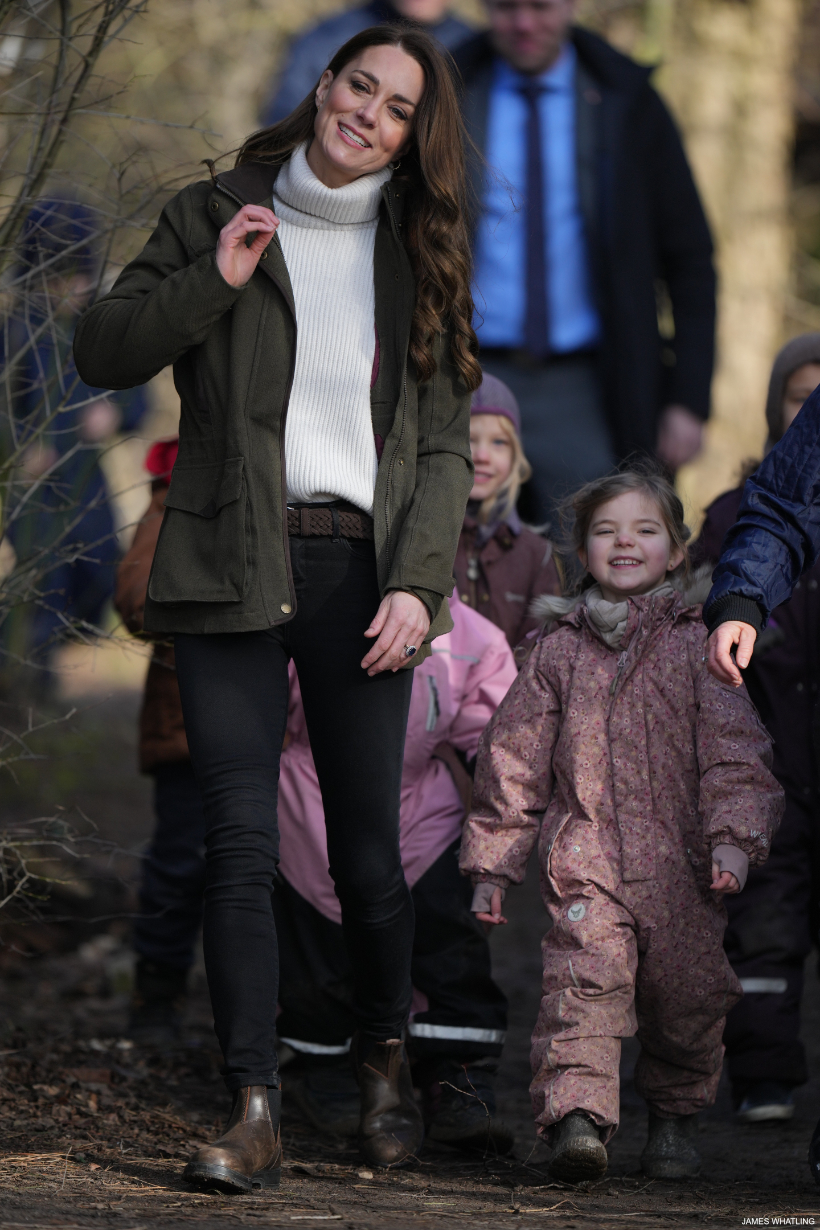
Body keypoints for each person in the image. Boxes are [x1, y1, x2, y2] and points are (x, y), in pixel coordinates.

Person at [73, 25, 480, 1190]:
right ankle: (253, 1106)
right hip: (224, 561)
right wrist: (218, 279)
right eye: (360, 85)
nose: (369, 113)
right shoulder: (216, 212)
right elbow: (104, 349)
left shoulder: (423, 245)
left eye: (398, 107)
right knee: (239, 843)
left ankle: (384, 1064)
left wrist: (420, 582)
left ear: (414, 138)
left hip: (362, 573)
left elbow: (443, 444)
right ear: (323, 84)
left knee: (366, 853)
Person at [460, 465, 783, 1183]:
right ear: (582, 552)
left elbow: (737, 752)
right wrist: (492, 865)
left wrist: (733, 835)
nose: (624, 543)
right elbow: (512, 763)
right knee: (583, 986)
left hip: (684, 871)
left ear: (676, 551)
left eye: (644, 530)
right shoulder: (557, 652)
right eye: (605, 531)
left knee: (689, 1002)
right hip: (587, 860)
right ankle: (577, 1120)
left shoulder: (701, 647)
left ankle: (673, 1118)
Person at [454, 0, 716, 519]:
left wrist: (688, 398)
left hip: (590, 386)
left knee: (596, 566)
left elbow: (689, 258)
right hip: (464, 375)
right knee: (454, 566)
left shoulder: (628, 102)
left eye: (541, 7)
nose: (524, 24)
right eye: (506, 8)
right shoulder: (448, 93)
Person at [275, 595, 516, 1153]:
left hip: (419, 806)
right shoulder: (312, 613)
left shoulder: (472, 637)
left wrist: (506, 813)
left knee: (445, 936)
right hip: (314, 798)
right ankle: (328, 1068)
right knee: (320, 947)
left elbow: (496, 741)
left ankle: (456, 1079)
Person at [693, 335, 820, 1125]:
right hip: (777, 744)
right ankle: (765, 1075)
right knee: (767, 920)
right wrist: (741, 600)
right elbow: (777, 506)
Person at [3, 199, 147, 687]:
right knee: (39, 583)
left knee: (101, 572)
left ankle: (52, 664)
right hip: (33, 488)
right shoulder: (16, 333)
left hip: (86, 480)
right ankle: (26, 688)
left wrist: (116, 412)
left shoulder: (100, 326)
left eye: (76, 279)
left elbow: (135, 396)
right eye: (57, 279)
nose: (68, 290)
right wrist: (20, 448)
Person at [454, 371, 562, 648]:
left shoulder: (536, 554)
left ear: (515, 455)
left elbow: (540, 653)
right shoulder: (419, 540)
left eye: (499, 442)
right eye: (468, 438)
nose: (482, 455)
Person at [264, 1, 472, 124]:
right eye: (359, 86)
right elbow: (284, 123)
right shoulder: (329, 36)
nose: (370, 115)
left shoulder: (473, 47)